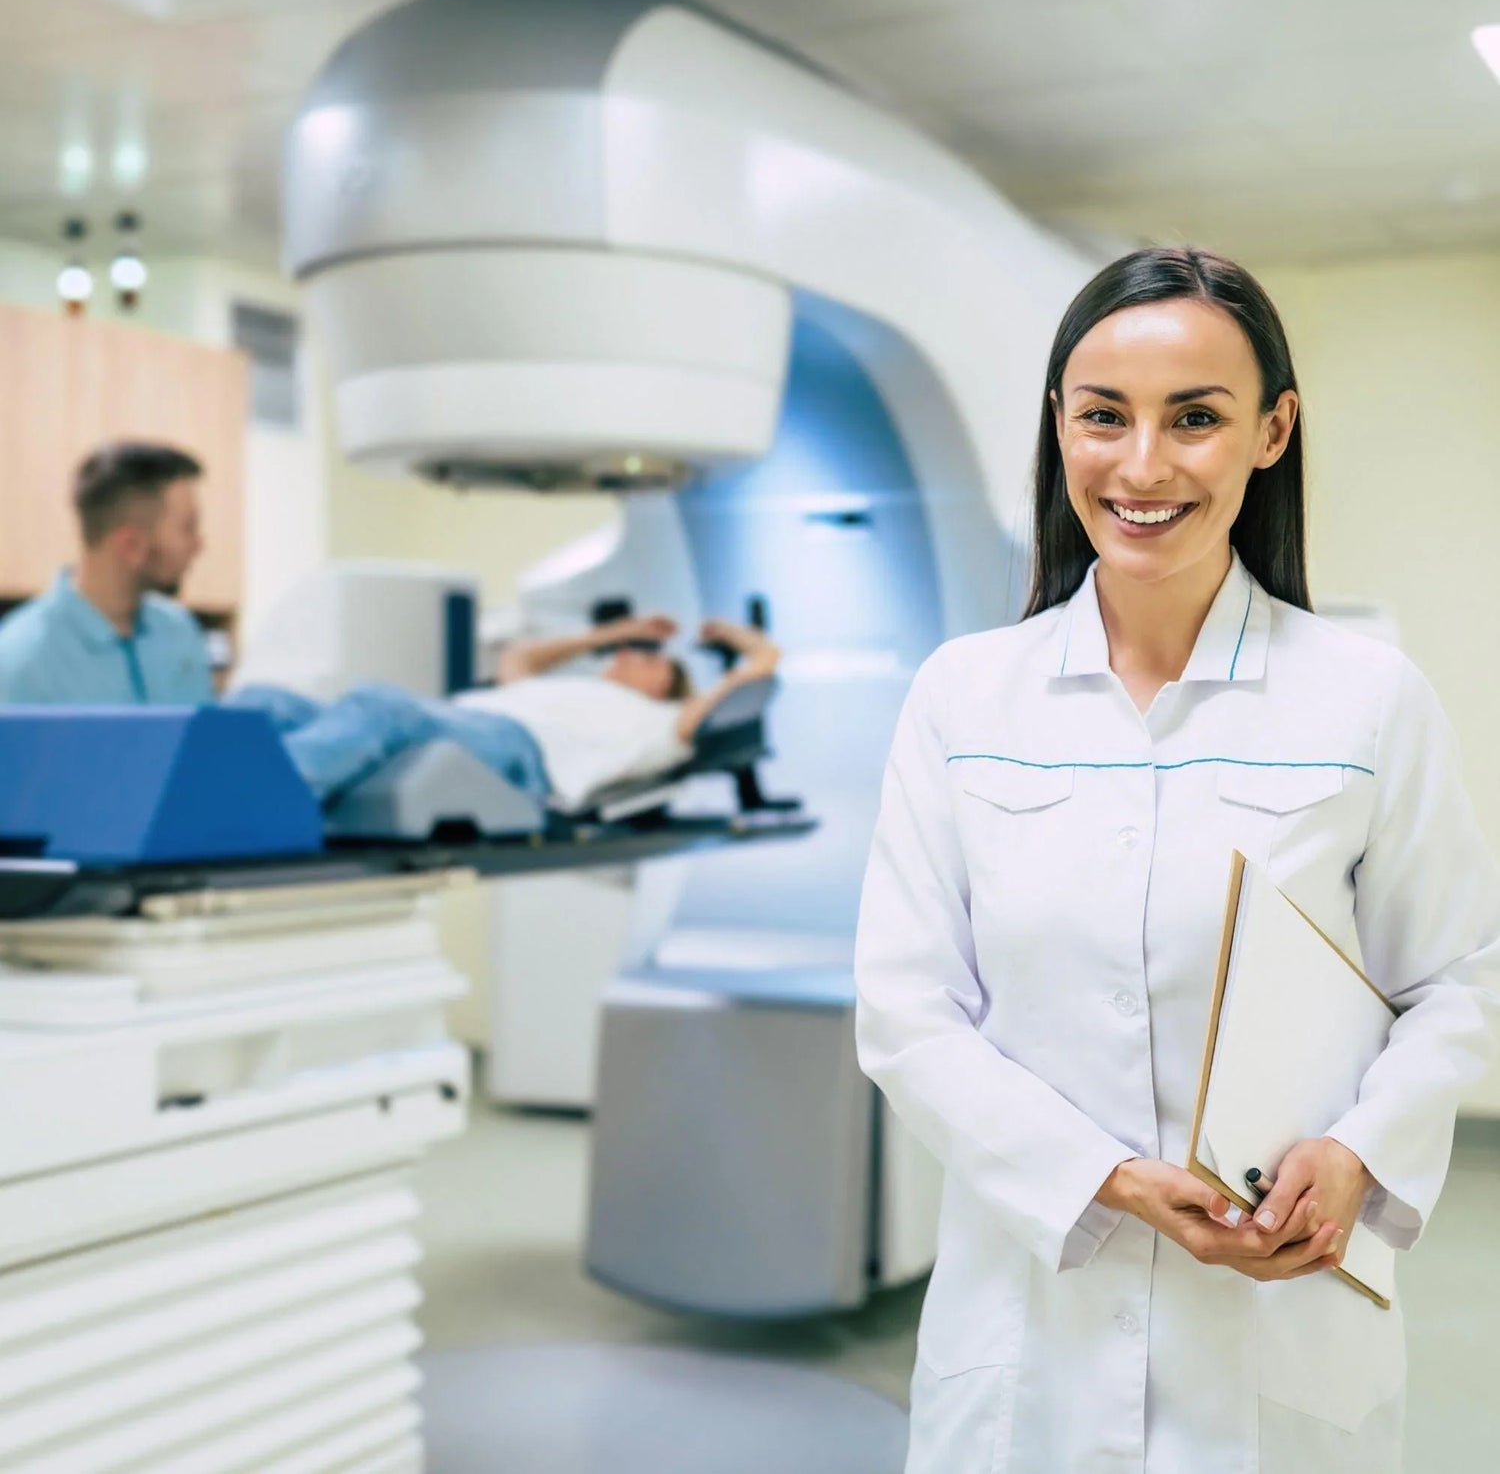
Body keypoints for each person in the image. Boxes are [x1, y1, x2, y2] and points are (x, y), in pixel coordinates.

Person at [853, 246, 1500, 1474]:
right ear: (1060, 429)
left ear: (1271, 432)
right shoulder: (963, 697)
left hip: (1276, 1333)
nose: (1142, 465)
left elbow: (1461, 977)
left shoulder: (1367, 701)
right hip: (1026, 1333)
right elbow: (904, 1010)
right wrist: (1102, 1177)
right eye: (1105, 417)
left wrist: (1360, 1150)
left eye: (1195, 418)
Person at [230, 612, 780, 810]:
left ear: (666, 680)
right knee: (267, 700)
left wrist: (733, 636)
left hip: (518, 750)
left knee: (378, 706)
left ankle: (248, 810)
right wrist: (612, 632)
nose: (629, 655)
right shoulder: (576, 686)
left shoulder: (663, 725)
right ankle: (193, 788)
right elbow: (518, 658)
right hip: (459, 721)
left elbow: (766, 660)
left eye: (646, 655)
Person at [0, 442, 213, 705]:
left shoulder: (181, 634)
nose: (199, 546)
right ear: (131, 546)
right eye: (188, 528)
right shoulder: (21, 658)